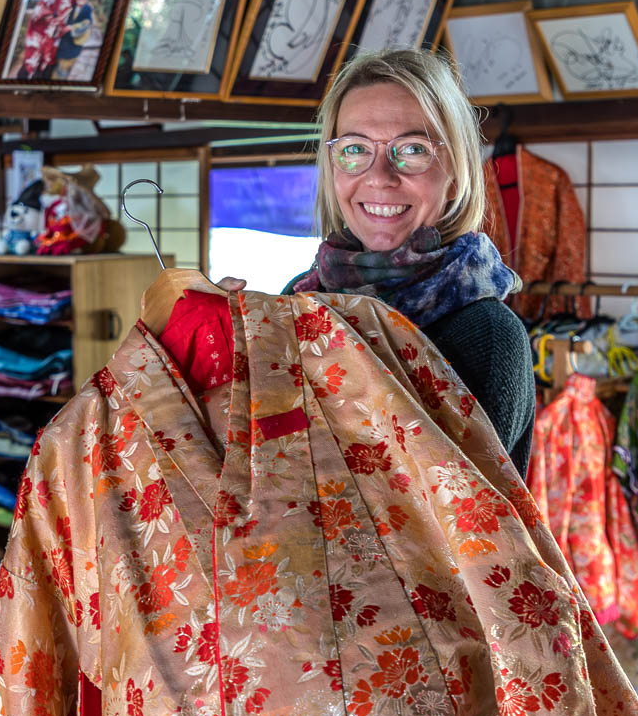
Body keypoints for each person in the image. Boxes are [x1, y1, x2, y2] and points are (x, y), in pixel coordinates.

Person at [222, 48, 534, 474]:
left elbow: (429, 516)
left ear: (456, 171)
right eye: (354, 149)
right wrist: (224, 356)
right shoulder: (302, 299)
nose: (380, 176)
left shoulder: (488, 335)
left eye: (412, 149)